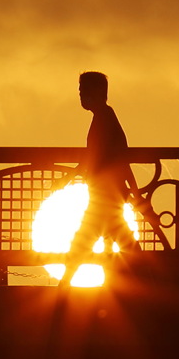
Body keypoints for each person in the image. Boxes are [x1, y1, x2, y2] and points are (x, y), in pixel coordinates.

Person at [61, 71, 138, 286]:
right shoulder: (105, 116)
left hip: (104, 193)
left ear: (95, 92)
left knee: (84, 240)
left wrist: (70, 176)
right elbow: (113, 154)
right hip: (108, 192)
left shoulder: (103, 118)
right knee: (119, 239)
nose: (80, 96)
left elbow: (99, 154)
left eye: (82, 91)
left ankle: (63, 290)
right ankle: (144, 279)